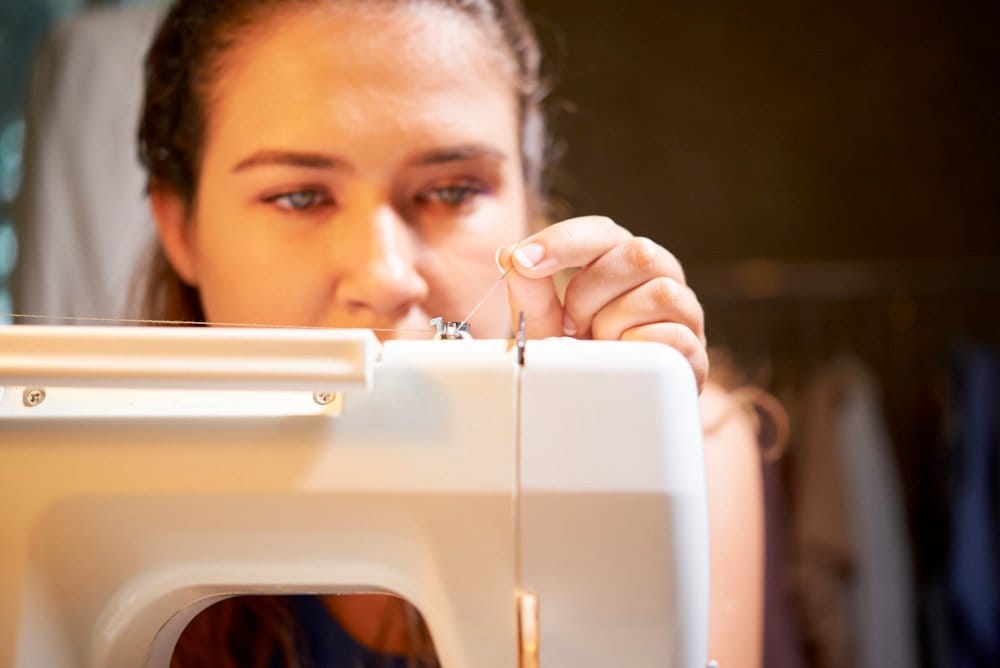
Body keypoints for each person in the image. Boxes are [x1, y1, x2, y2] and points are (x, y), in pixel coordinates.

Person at [136, 0, 760, 665]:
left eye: (453, 190)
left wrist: (603, 487)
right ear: (181, 228)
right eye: (300, 196)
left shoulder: (681, 437)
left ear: (529, 203)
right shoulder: (87, 463)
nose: (385, 278)